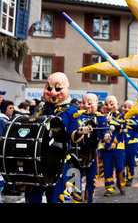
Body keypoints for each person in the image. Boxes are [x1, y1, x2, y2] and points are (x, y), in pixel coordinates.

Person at [25, 72, 79, 203]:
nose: (53, 92)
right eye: (49, 88)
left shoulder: (72, 111)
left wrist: (80, 132)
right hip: (37, 160)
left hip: (58, 161)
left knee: (56, 198)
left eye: (58, 88)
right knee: (32, 197)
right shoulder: (40, 110)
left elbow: (74, 137)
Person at [71, 93, 108, 203]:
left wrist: (106, 135)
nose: (86, 105)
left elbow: (104, 130)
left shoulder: (100, 117)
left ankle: (89, 200)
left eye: (89, 103)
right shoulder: (76, 116)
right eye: (83, 103)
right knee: (76, 176)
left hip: (93, 153)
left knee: (91, 179)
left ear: (97, 103)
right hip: (77, 152)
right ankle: (77, 198)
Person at [101, 95, 127, 197]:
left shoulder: (121, 116)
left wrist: (111, 121)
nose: (109, 106)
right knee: (107, 168)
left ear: (117, 105)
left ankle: (121, 185)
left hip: (119, 147)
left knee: (120, 167)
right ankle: (109, 187)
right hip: (106, 147)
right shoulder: (101, 117)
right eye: (106, 104)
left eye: (112, 104)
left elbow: (123, 125)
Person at [122, 100, 138, 187]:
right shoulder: (119, 116)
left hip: (132, 142)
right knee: (122, 161)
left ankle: (129, 178)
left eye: (129, 107)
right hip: (121, 142)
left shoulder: (136, 116)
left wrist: (128, 119)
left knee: (130, 160)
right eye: (124, 106)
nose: (126, 109)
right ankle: (121, 179)